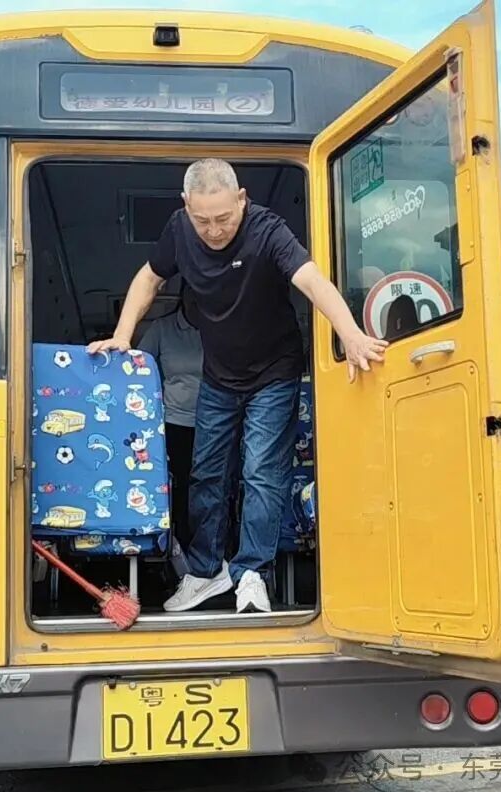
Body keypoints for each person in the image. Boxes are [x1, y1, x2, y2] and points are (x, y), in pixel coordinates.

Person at [88, 158, 387, 614]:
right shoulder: (179, 229)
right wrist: (124, 335)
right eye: (202, 219)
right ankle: (205, 572)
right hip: (219, 376)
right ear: (186, 206)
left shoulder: (268, 230)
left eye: (224, 218)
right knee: (206, 474)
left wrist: (349, 334)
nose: (213, 230)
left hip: (274, 373)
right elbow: (149, 277)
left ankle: (251, 575)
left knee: (260, 474)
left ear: (242, 199)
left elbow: (311, 280)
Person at [137, 286, 204, 576]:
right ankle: (180, 562)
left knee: (212, 491)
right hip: (174, 424)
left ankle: (210, 560)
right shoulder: (162, 329)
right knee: (179, 493)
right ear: (184, 296)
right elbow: (137, 366)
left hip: (217, 422)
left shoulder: (221, 326)